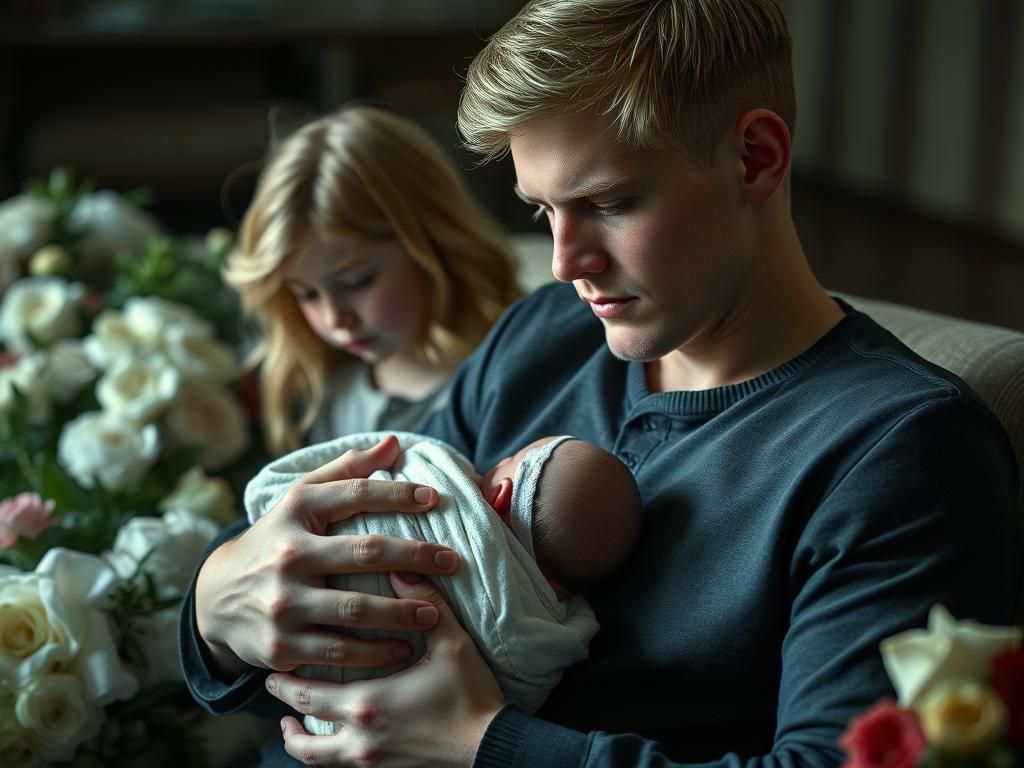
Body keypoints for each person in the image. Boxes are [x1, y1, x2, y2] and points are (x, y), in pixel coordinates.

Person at [181, 1, 1021, 766]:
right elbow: (333, 554)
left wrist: (482, 745)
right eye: (544, 211)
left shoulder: (900, 451)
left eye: (610, 202)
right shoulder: (543, 337)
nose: (563, 262)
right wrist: (216, 609)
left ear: (755, 158)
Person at [243, 430, 642, 737]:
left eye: (507, 460)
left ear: (500, 495)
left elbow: (384, 450)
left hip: (277, 603)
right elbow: (520, 695)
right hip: (351, 723)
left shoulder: (437, 481)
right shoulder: (546, 636)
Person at [222, 103, 522, 455]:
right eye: (307, 294)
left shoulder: (505, 372)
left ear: (431, 245)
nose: (335, 319)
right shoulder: (327, 392)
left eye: (356, 282)